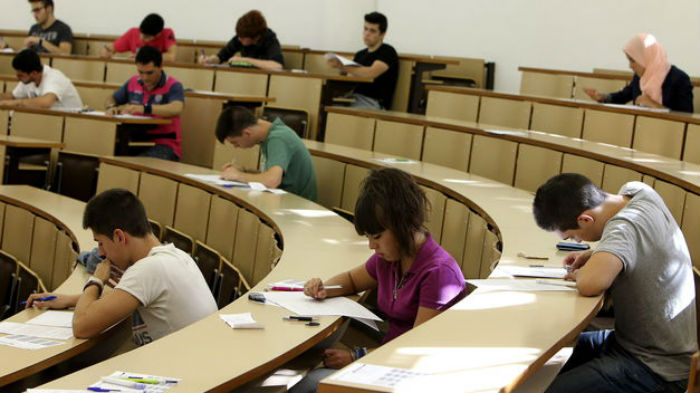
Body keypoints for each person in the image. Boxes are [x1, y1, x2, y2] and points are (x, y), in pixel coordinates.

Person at [290, 168, 466, 393]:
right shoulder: (391, 257)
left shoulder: (439, 273)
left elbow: (412, 350)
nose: (372, 246)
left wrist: (357, 356)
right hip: (383, 363)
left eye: (377, 237)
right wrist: (325, 288)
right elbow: (353, 280)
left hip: (410, 377)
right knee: (302, 383)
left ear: (403, 225)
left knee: (306, 386)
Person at [532, 173, 696, 393]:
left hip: (655, 369)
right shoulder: (639, 192)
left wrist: (589, 270)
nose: (578, 242)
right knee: (541, 353)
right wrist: (598, 254)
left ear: (586, 219)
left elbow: (591, 283)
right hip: (629, 343)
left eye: (573, 237)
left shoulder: (624, 226)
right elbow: (636, 243)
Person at [25, 189, 217, 346]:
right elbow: (124, 297)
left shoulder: (148, 269)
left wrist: (96, 281)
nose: (100, 253)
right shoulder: (175, 256)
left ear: (119, 237)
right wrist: (70, 300)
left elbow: (81, 326)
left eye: (100, 242)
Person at [215, 106, 317, 201]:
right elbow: (271, 175)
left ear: (247, 133)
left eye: (235, 142)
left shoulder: (278, 139)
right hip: (282, 200)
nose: (236, 147)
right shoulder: (268, 137)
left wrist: (238, 176)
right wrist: (243, 171)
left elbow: (272, 181)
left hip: (295, 205)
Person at [105, 46, 184, 161]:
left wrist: (145, 109)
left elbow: (177, 108)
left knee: (135, 164)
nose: (144, 77)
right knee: (107, 156)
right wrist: (111, 107)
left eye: (149, 73)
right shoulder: (133, 82)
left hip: (163, 144)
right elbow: (111, 98)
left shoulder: (174, 85)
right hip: (134, 141)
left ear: (161, 66)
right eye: (140, 72)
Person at [583, 33, 693, 113]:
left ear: (646, 57)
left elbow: (686, 116)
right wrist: (602, 97)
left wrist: (653, 105)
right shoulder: (640, 77)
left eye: (632, 60)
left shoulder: (679, 79)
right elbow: (623, 96)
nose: (630, 66)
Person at [326, 12, 399, 110]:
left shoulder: (388, 52)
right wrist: (343, 71)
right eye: (365, 29)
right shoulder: (360, 54)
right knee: (324, 107)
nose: (367, 33)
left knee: (337, 111)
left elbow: (371, 73)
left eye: (372, 31)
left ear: (382, 34)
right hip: (353, 97)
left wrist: (342, 66)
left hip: (374, 102)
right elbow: (352, 77)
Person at [198, 10, 284, 70]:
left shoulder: (270, 39)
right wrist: (209, 60)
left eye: (242, 38)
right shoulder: (240, 36)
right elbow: (221, 56)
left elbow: (277, 66)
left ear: (255, 37)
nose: (239, 39)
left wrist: (245, 60)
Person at [0, 49, 82, 109]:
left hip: (72, 121)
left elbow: (46, 102)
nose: (17, 78)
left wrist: (17, 103)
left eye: (20, 76)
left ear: (34, 73)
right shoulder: (28, 79)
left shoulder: (54, 77)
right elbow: (13, 96)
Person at [101, 13, 178, 62]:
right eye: (141, 33)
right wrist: (106, 52)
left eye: (146, 37)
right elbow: (109, 49)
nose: (141, 38)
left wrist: (144, 57)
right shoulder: (133, 32)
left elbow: (171, 57)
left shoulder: (167, 33)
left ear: (158, 34)